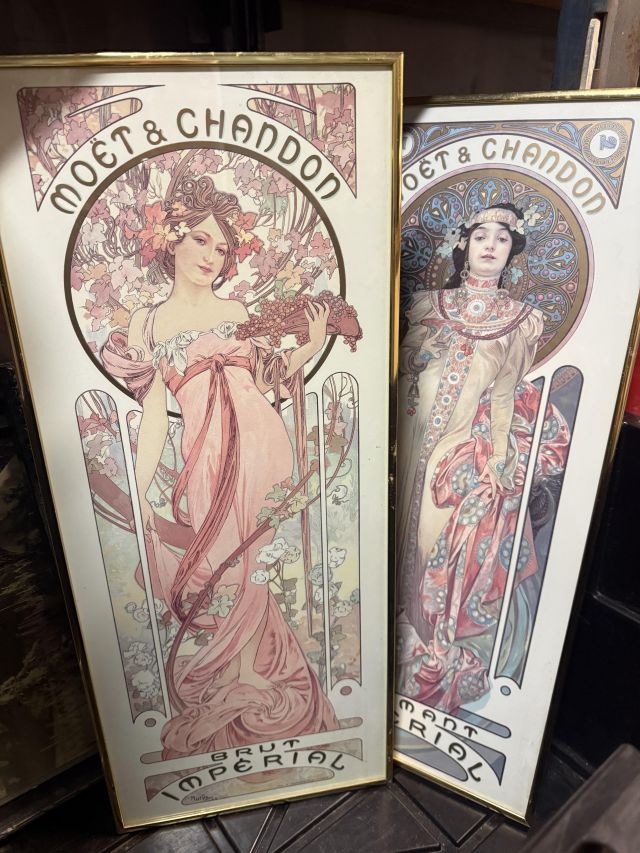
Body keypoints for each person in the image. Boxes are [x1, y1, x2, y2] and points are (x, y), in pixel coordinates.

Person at [104, 175, 338, 756]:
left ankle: (249, 674)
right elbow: (154, 414)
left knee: (254, 559)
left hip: (264, 446)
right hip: (206, 456)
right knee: (224, 563)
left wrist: (309, 347)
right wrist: (140, 485)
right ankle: (236, 675)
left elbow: (267, 379)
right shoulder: (145, 323)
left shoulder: (236, 308)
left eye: (222, 248)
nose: (212, 256)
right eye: (201, 240)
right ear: (172, 240)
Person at [396, 202, 567, 714]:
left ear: (513, 251)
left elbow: (503, 396)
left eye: (502, 238)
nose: (490, 245)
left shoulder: (520, 321)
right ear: (463, 244)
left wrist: (497, 456)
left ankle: (422, 639)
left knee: (429, 543)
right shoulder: (424, 305)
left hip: (451, 448)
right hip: (402, 436)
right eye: (481, 236)